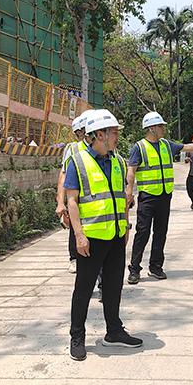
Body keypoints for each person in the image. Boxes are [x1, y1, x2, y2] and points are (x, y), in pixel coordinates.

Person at [64, 109, 142, 361]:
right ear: (99, 134)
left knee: (113, 286)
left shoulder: (118, 161)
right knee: (84, 289)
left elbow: (123, 197)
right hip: (91, 238)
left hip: (116, 235)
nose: (118, 137)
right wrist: (79, 235)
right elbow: (72, 201)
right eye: (114, 132)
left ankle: (114, 331)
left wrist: (126, 225)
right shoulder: (77, 162)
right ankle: (77, 336)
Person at [126, 112, 193, 284]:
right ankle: (134, 268)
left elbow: (186, 147)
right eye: (161, 126)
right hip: (147, 196)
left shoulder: (166, 144)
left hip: (165, 196)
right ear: (152, 128)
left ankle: (156, 266)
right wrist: (129, 192)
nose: (164, 129)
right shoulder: (139, 147)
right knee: (143, 232)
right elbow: (131, 171)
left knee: (160, 233)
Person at [56, 112, 88, 273]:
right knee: (75, 227)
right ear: (79, 132)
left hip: (93, 196)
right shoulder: (72, 149)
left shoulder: (102, 148)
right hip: (76, 194)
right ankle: (74, 258)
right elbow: (63, 175)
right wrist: (60, 202)